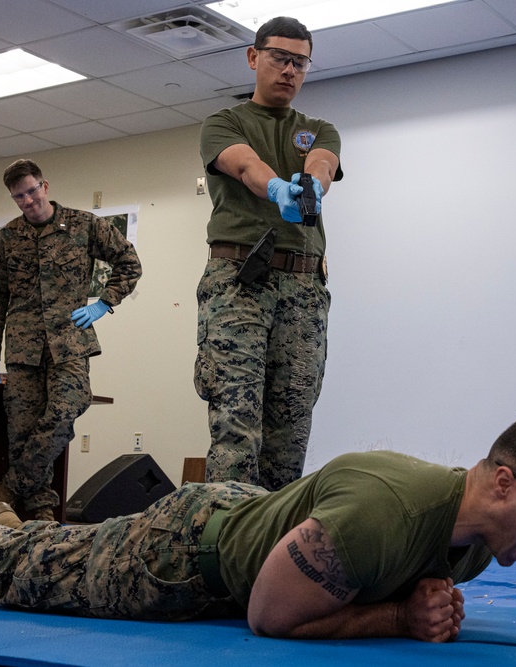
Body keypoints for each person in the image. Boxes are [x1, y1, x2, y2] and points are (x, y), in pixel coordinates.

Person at [0, 409, 516, 642]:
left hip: (243, 516)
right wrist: (403, 614)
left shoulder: (478, 536)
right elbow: (271, 615)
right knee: (30, 576)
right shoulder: (389, 511)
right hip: (185, 553)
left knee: (48, 548)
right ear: (504, 481)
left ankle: (2, 520)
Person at [195, 16, 344, 491]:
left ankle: (273, 550)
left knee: (292, 424)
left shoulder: (319, 128)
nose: (290, 71)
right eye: (280, 58)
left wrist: (312, 186)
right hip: (239, 282)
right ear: (253, 57)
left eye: (300, 62)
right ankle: (225, 549)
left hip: (303, 289)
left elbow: (322, 161)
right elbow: (245, 164)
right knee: (236, 420)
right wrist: (277, 186)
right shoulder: (225, 122)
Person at [0, 159, 142, 522]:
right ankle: (40, 510)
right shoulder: (5, 241)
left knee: (67, 408)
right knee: (22, 429)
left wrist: (104, 304)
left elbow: (129, 263)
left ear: (45, 186)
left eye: (32, 191)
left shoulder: (84, 226)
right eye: (19, 197)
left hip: (69, 341)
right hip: (22, 348)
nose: (28, 201)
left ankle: (8, 488)